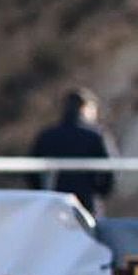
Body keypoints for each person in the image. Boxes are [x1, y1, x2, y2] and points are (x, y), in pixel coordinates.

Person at [30, 87, 115, 216]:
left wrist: (44, 192)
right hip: (89, 202)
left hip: (55, 201)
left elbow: (32, 169)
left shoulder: (48, 135)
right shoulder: (95, 136)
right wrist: (101, 191)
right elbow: (110, 168)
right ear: (85, 108)